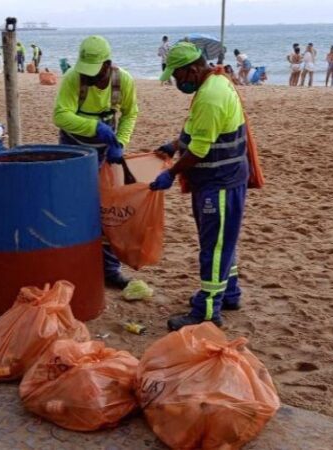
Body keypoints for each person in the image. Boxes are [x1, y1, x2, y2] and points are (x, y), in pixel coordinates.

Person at [152, 42, 250, 331]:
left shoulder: (210, 96)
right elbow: (197, 131)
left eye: (178, 75)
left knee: (214, 247)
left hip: (219, 182)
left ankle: (208, 309)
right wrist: (173, 146)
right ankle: (228, 293)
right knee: (223, 241)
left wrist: (171, 173)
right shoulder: (215, 82)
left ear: (193, 69)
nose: (177, 82)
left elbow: (200, 150)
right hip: (222, 179)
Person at [53, 36, 138, 290]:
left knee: (107, 210)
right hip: (73, 149)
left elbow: (130, 113)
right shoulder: (73, 78)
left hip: (106, 151)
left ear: (107, 64)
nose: (89, 77)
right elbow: (60, 115)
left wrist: (119, 142)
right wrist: (93, 126)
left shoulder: (122, 81)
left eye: (95, 72)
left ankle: (109, 270)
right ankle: (73, 264)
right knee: (73, 206)